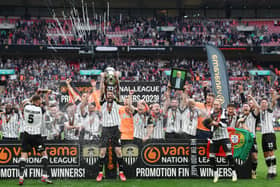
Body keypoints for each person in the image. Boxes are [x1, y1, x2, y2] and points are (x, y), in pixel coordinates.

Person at [96, 72, 126, 182]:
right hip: (105, 129)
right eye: (108, 94)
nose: (109, 95)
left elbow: (118, 89)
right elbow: (101, 90)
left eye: (111, 94)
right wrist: (102, 78)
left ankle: (121, 173)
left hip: (115, 129)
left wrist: (117, 78)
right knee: (102, 152)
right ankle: (100, 173)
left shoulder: (117, 102)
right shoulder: (102, 102)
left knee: (118, 151)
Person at [18, 95, 52, 185]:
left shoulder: (26, 107)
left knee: (23, 156)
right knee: (44, 154)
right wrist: (46, 96)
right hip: (36, 136)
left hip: (26, 135)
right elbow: (47, 105)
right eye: (40, 100)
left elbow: (23, 103)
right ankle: (44, 176)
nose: (41, 102)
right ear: (38, 101)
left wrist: (32, 98)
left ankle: (21, 178)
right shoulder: (40, 109)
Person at [206, 99, 237, 183]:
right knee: (211, 157)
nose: (216, 106)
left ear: (220, 105)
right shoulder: (210, 114)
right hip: (215, 138)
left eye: (217, 104)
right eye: (215, 104)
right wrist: (209, 125)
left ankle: (234, 173)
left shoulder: (224, 112)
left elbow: (225, 124)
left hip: (224, 137)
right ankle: (216, 174)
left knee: (229, 155)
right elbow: (208, 125)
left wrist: (217, 123)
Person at [236, 99, 259, 179]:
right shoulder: (240, 117)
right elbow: (236, 128)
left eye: (247, 106)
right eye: (244, 107)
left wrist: (252, 99)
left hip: (252, 138)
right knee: (241, 157)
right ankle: (241, 172)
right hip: (242, 140)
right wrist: (239, 122)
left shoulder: (253, 115)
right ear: (242, 109)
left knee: (254, 156)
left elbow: (258, 108)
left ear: (250, 108)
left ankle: (253, 171)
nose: (245, 108)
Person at [258, 97, 277, 179]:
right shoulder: (261, 112)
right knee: (265, 154)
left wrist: (273, 95)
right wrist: (251, 98)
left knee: (270, 152)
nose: (263, 103)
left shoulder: (269, 111)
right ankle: (269, 170)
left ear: (267, 104)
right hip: (264, 135)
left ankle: (273, 171)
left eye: (265, 102)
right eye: (262, 102)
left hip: (270, 134)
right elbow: (256, 105)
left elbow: (273, 103)